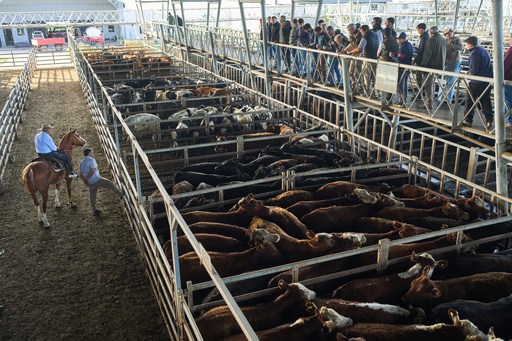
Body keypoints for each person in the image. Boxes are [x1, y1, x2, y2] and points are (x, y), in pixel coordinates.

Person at [461, 36, 494, 128]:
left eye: (466, 44)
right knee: (485, 101)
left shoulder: (474, 53)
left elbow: (475, 70)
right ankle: (489, 120)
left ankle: (468, 120)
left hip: (476, 81)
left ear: (471, 45)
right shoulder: (484, 51)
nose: (466, 46)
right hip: (486, 81)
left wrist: (469, 74)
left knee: (469, 100)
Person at [79, 148, 123, 216]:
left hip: (90, 182)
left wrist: (85, 181)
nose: (93, 154)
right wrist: (87, 178)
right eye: (92, 153)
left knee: (92, 196)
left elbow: (81, 174)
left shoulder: (82, 162)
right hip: (97, 179)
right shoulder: (92, 160)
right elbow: (92, 170)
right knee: (111, 184)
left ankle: (94, 210)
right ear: (89, 154)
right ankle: (120, 195)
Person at [347, 24, 379, 96]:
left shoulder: (365, 37)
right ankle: (377, 93)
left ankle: (367, 93)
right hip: (376, 58)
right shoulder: (375, 34)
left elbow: (359, 48)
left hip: (367, 58)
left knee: (366, 75)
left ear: (365, 31)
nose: (361, 33)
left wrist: (350, 52)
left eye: (362, 32)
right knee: (374, 76)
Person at [419, 26, 446, 109]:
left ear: (431, 33)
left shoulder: (431, 41)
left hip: (431, 66)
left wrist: (423, 66)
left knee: (429, 84)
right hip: (440, 65)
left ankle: (429, 103)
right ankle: (431, 101)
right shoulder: (443, 40)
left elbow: (427, 55)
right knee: (433, 83)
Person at [437, 28, 463, 105]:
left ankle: (447, 100)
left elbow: (460, 48)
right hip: (447, 63)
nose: (448, 34)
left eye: (449, 33)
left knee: (450, 82)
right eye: (447, 34)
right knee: (449, 81)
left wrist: (451, 45)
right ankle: (447, 98)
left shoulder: (456, 39)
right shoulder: (444, 41)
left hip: (454, 62)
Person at [390, 32, 414, 107]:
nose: (397, 40)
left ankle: (400, 101)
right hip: (408, 67)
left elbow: (399, 59)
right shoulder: (409, 45)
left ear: (402, 39)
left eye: (398, 39)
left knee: (400, 84)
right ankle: (404, 98)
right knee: (405, 83)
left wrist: (392, 55)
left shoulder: (403, 47)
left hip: (402, 68)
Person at [378, 28, 399, 104]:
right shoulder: (395, 41)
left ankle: (387, 98)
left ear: (383, 34)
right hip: (394, 63)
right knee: (392, 80)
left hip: (385, 63)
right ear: (390, 33)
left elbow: (378, 54)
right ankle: (394, 97)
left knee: (385, 80)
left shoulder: (383, 43)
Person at [341, 23, 363, 93]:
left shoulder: (358, 35)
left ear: (353, 29)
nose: (349, 32)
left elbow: (357, 45)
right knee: (350, 71)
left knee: (357, 72)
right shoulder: (354, 35)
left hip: (358, 55)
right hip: (354, 54)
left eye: (349, 31)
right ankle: (354, 84)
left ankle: (360, 86)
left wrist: (351, 39)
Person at [414, 23, 429, 95]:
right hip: (424, 60)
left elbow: (421, 51)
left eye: (418, 30)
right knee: (423, 78)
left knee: (419, 78)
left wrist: (415, 60)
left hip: (421, 61)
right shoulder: (426, 36)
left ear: (422, 29)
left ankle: (419, 93)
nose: (418, 32)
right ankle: (421, 93)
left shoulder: (424, 38)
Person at [505, 33, 512, 128]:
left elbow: (505, 64)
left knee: (509, 100)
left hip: (509, 78)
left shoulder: (511, 50)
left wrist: (498, 77)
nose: (509, 40)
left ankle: (510, 121)